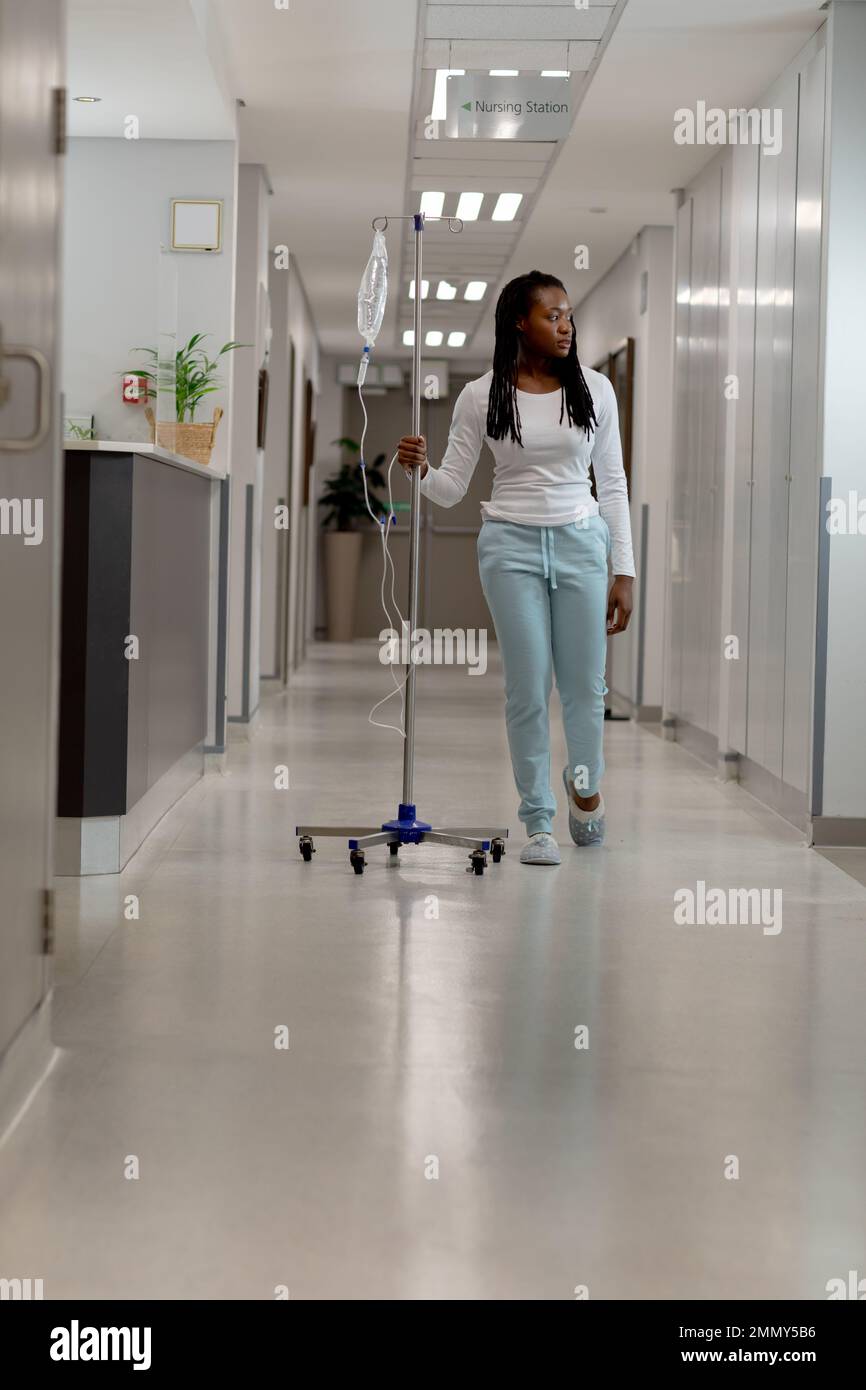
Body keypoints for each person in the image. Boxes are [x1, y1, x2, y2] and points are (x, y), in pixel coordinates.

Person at [397, 270, 635, 866]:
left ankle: (584, 789)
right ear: (518, 324)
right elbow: (451, 488)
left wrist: (624, 569)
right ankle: (538, 823)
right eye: (552, 316)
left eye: (569, 316)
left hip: (582, 545)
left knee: (585, 689)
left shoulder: (595, 389)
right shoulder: (481, 396)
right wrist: (419, 471)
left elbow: (612, 484)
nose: (566, 326)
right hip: (510, 548)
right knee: (527, 690)